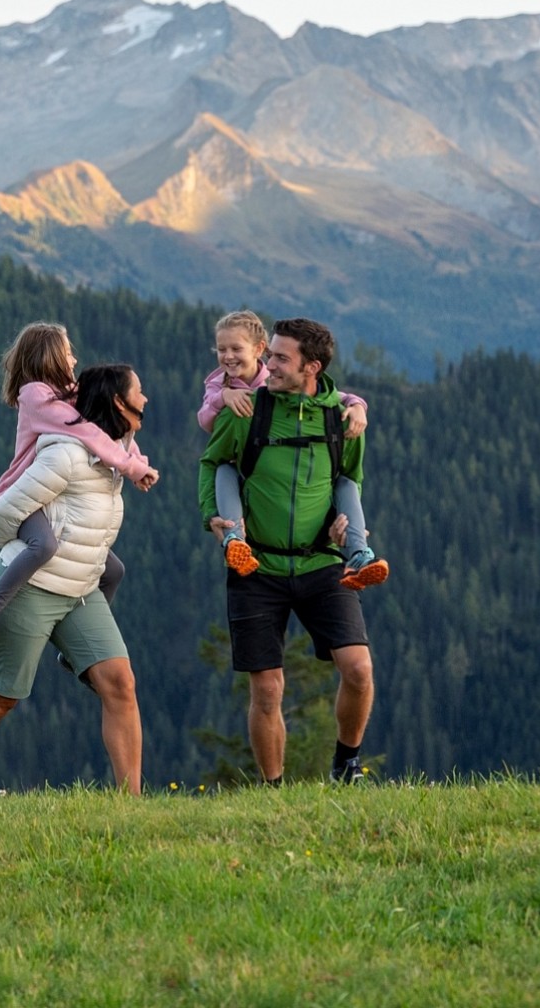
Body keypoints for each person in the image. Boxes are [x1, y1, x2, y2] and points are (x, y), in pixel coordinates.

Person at [198, 318, 384, 785]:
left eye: (281, 358)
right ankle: (274, 790)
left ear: (311, 367)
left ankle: (347, 765)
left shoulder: (342, 419)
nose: (268, 365)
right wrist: (213, 518)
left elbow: (350, 479)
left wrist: (347, 525)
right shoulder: (247, 410)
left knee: (359, 670)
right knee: (267, 689)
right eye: (271, 355)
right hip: (256, 566)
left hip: (323, 561)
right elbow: (213, 463)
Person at [0, 363, 149, 797]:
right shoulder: (66, 456)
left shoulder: (116, 455)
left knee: (121, 683)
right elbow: (3, 510)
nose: (146, 399)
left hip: (81, 592)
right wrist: (35, 546)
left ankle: (131, 802)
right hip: (29, 591)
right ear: (118, 402)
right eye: (139, 391)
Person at [0, 323, 158, 666]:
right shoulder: (36, 395)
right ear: (50, 357)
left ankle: (76, 651)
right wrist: (131, 467)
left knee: (113, 571)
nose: (74, 358)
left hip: (46, 495)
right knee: (45, 545)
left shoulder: (67, 395)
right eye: (68, 352)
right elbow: (88, 431)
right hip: (22, 495)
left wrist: (136, 461)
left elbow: (106, 432)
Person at [198, 309, 387, 588]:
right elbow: (207, 433)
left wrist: (357, 405)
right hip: (259, 560)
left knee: (345, 483)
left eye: (236, 348)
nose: (228, 356)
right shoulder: (225, 390)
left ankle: (359, 553)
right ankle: (235, 539)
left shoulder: (334, 417)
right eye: (221, 349)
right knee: (225, 469)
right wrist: (223, 396)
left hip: (321, 563)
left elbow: (334, 400)